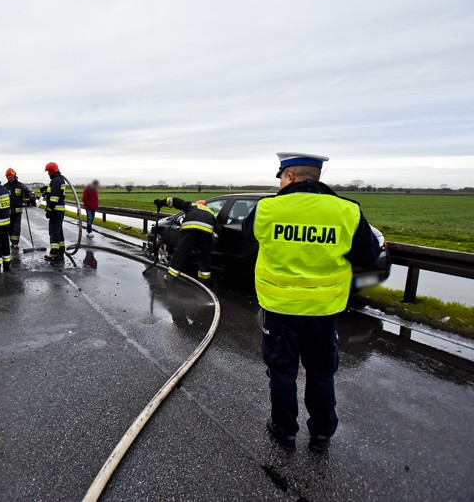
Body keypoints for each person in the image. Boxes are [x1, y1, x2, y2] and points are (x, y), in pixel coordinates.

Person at [242, 152, 380, 452]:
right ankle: (321, 435)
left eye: (280, 177)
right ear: (316, 176)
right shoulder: (347, 210)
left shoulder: (267, 208)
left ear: (289, 176)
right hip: (323, 310)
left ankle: (284, 432)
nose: (279, 183)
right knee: (321, 373)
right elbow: (368, 255)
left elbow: (248, 236)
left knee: (282, 372)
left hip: (279, 308)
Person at [153, 197, 215, 282]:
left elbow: (174, 201)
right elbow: (217, 232)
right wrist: (211, 239)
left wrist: (161, 202)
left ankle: (171, 276)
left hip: (190, 229)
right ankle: (204, 280)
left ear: (197, 203)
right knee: (205, 255)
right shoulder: (211, 213)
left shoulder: (191, 205)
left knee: (181, 251)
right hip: (206, 232)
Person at [43, 162, 66, 261]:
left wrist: (49, 210)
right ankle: (61, 250)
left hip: (56, 210)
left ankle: (54, 252)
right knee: (58, 231)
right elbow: (52, 192)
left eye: (48, 172)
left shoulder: (56, 181)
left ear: (52, 171)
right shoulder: (58, 180)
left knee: (54, 231)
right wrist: (45, 190)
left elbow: (54, 198)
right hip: (59, 210)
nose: (48, 174)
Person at [4, 168, 31, 248]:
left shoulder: (20, 185)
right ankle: (11, 241)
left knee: (16, 227)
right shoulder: (5, 187)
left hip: (17, 210)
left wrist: (25, 190)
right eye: (8, 177)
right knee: (9, 227)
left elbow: (27, 195)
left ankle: (15, 243)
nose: (10, 178)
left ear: (15, 176)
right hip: (8, 210)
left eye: (11, 177)